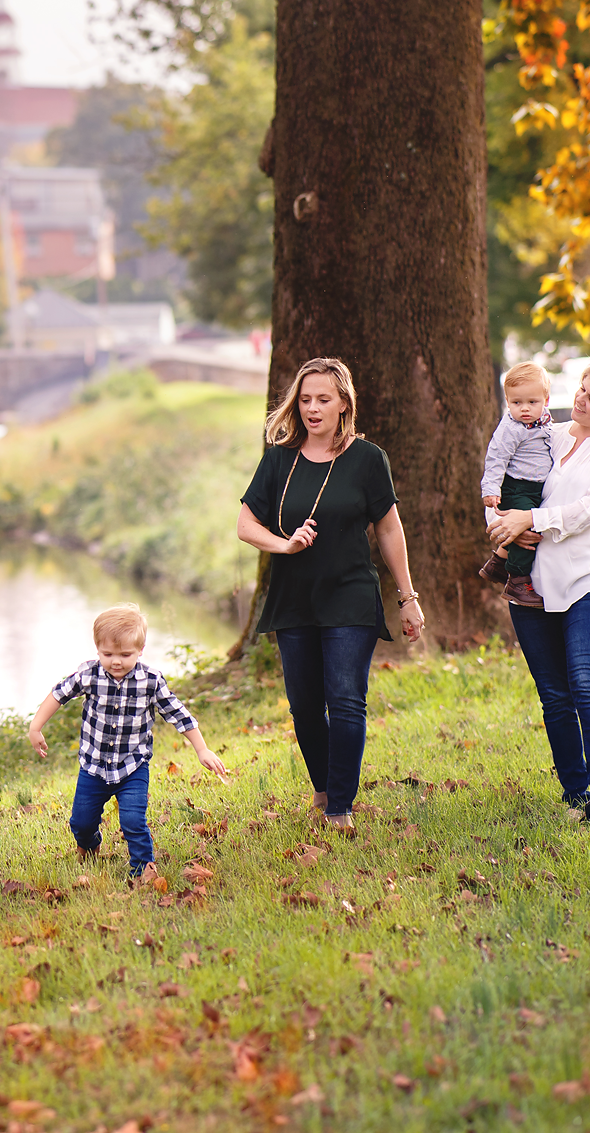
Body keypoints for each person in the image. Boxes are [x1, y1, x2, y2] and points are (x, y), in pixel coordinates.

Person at [234, 357, 424, 834]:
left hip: (350, 596)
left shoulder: (367, 459)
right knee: (303, 704)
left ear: (344, 403)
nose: (313, 408)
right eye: (305, 400)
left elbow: (388, 528)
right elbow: (245, 524)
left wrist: (407, 597)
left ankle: (340, 806)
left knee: (345, 699)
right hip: (294, 597)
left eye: (323, 399)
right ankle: (322, 790)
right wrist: (285, 544)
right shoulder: (279, 457)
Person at [487, 358, 590, 824]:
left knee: (585, 684)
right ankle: (575, 793)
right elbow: (505, 472)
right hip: (532, 584)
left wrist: (532, 520)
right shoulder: (552, 433)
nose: (579, 399)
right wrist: (501, 524)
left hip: (587, 583)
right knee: (554, 696)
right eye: (580, 389)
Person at [27, 603, 228, 887]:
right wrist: (36, 726)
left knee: (133, 820)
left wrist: (201, 748)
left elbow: (178, 714)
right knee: (81, 823)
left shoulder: (150, 681)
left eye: (125, 654)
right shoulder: (89, 674)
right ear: (97, 649)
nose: (116, 661)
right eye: (108, 654)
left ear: (141, 650)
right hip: (94, 767)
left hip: (133, 768)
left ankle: (143, 870)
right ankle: (89, 844)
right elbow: (58, 695)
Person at [476, 362, 558, 608]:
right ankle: (518, 581)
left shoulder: (545, 422)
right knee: (529, 532)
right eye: (516, 403)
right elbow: (496, 458)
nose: (524, 409)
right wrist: (490, 489)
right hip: (517, 486)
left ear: (546, 399)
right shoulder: (511, 428)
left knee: (537, 525)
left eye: (532, 402)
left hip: (534, 488)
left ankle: (497, 564)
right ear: (507, 401)